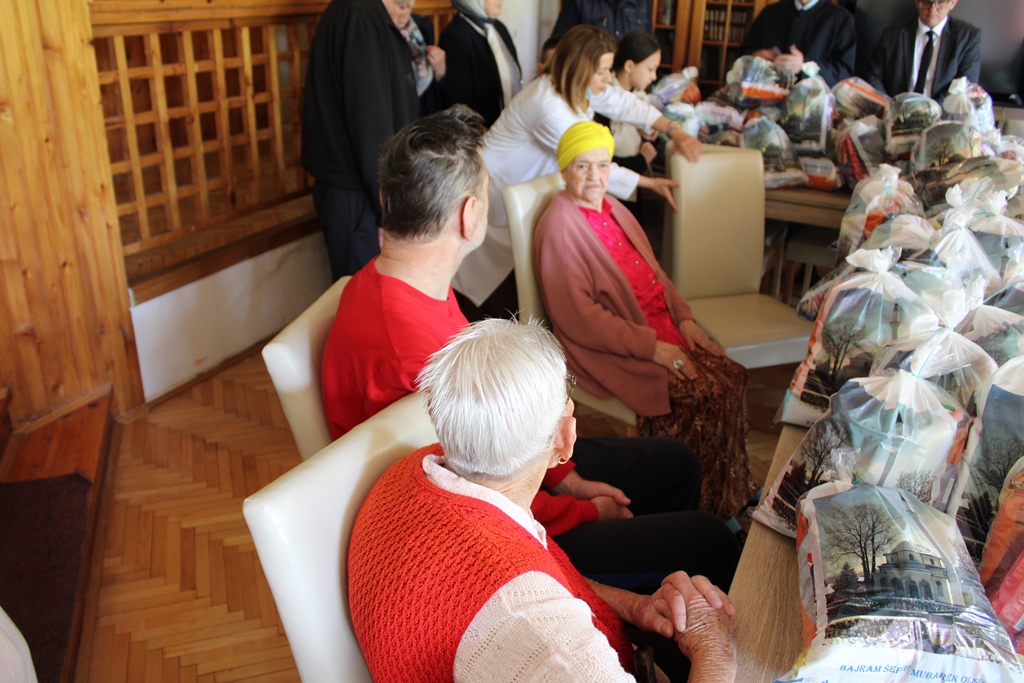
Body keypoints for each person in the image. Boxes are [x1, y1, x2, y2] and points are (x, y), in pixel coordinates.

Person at [322, 106, 740, 594]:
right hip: (488, 538)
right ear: (469, 215)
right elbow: (483, 493)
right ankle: (635, 618)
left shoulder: (401, 283)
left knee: (676, 464)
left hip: (506, 459)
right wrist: (586, 511)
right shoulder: (413, 354)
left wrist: (568, 478)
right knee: (709, 543)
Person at [348, 318, 739, 681]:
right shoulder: (537, 627)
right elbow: (529, 603)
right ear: (565, 440)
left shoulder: (420, 470)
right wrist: (715, 651)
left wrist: (634, 606)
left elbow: (544, 580)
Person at [534, 121, 757, 521]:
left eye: (603, 165)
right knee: (700, 395)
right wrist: (653, 349)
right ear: (564, 170)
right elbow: (582, 319)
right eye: (582, 166)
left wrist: (685, 319)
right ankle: (691, 512)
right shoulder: (559, 226)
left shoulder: (614, 208)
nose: (594, 176)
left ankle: (728, 494)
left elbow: (657, 274)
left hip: (661, 327)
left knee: (733, 378)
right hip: (614, 348)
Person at [451, 24, 702, 319]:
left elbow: (622, 102)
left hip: (522, 191)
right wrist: (649, 183)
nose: (608, 78)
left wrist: (673, 130)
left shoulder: (576, 87)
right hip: (494, 193)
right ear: (580, 69)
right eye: (602, 71)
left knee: (515, 287)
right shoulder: (548, 106)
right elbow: (589, 164)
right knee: (489, 295)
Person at [301, 0, 419, 281]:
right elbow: (371, 123)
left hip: (364, 190)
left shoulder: (366, 13)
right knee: (365, 295)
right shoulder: (359, 15)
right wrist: (387, 212)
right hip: (358, 193)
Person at [594, 30, 663, 221]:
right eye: (650, 69)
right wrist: (641, 160)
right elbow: (601, 159)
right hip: (611, 187)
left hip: (632, 185)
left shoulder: (640, 98)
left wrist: (650, 137)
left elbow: (649, 146)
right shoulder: (604, 102)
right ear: (630, 66)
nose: (654, 76)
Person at [863, 0, 980, 101]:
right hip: (895, 111)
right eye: (926, 1)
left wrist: (931, 112)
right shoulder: (892, 34)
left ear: (953, 3)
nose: (932, 9)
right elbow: (873, 75)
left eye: (940, 2)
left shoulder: (967, 37)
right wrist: (888, 105)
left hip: (941, 114)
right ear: (917, 2)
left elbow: (965, 85)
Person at [439, 0, 521, 128]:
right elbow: (461, 102)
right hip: (480, 132)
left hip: (507, 127)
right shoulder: (455, 36)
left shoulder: (499, 28)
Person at [738, 0, 855, 87]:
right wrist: (757, 57)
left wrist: (804, 67)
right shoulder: (770, 12)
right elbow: (743, 55)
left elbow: (843, 73)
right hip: (764, 98)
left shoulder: (841, 19)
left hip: (813, 104)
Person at [389, 0, 447, 117]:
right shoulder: (373, 31)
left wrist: (440, 72)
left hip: (423, 115)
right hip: (395, 115)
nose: (403, 10)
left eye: (407, 5)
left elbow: (435, 94)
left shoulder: (422, 26)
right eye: (398, 4)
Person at [552, 0, 652, 41]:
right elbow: (558, 44)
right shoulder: (578, 2)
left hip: (629, 78)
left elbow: (649, 45)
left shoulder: (643, 2)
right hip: (592, 76)